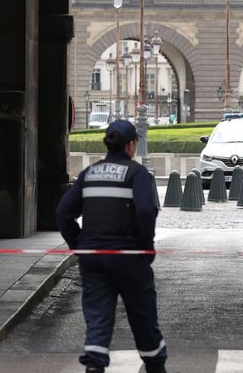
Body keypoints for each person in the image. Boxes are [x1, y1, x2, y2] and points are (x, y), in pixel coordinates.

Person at [57, 120, 167, 373]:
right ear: (131, 145)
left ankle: (94, 366)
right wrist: (146, 247)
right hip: (128, 255)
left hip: (92, 256)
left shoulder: (89, 174)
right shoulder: (136, 173)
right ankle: (155, 366)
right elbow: (147, 210)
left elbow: (63, 212)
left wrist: (79, 244)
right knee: (142, 313)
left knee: (97, 314)